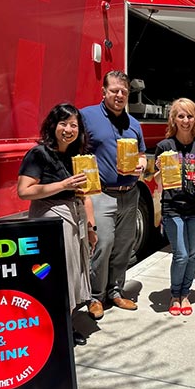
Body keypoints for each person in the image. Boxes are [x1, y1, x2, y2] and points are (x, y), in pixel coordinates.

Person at [17, 103, 98, 347]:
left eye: (74, 125)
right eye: (63, 123)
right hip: (49, 218)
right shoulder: (38, 153)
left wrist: (91, 228)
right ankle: (52, 328)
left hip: (74, 216)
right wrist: (63, 185)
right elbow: (24, 191)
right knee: (56, 274)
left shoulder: (76, 156)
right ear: (53, 126)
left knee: (74, 273)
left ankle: (66, 323)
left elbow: (85, 194)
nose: (68, 129)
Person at [80, 71, 147, 315]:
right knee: (103, 244)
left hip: (130, 192)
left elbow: (141, 154)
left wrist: (142, 164)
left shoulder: (134, 124)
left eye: (124, 92)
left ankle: (116, 291)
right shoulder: (87, 117)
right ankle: (95, 296)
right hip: (102, 193)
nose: (119, 95)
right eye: (114, 90)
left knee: (124, 245)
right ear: (104, 91)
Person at [154, 98, 195, 315]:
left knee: (193, 253)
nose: (185, 120)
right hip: (173, 207)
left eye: (189, 116)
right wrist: (159, 169)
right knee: (180, 254)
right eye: (181, 116)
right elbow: (159, 183)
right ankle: (175, 294)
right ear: (174, 119)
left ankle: (186, 293)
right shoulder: (165, 146)